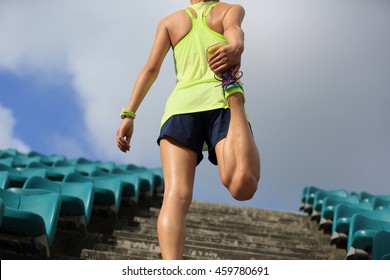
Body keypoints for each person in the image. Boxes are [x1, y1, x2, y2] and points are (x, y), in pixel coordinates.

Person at [116, 0, 260, 260]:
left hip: (186, 109)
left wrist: (129, 114)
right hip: (217, 102)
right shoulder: (223, 11)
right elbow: (234, 32)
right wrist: (236, 47)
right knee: (231, 187)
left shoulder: (176, 20)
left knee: (236, 187)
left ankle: (234, 95)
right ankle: (235, 94)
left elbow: (151, 69)